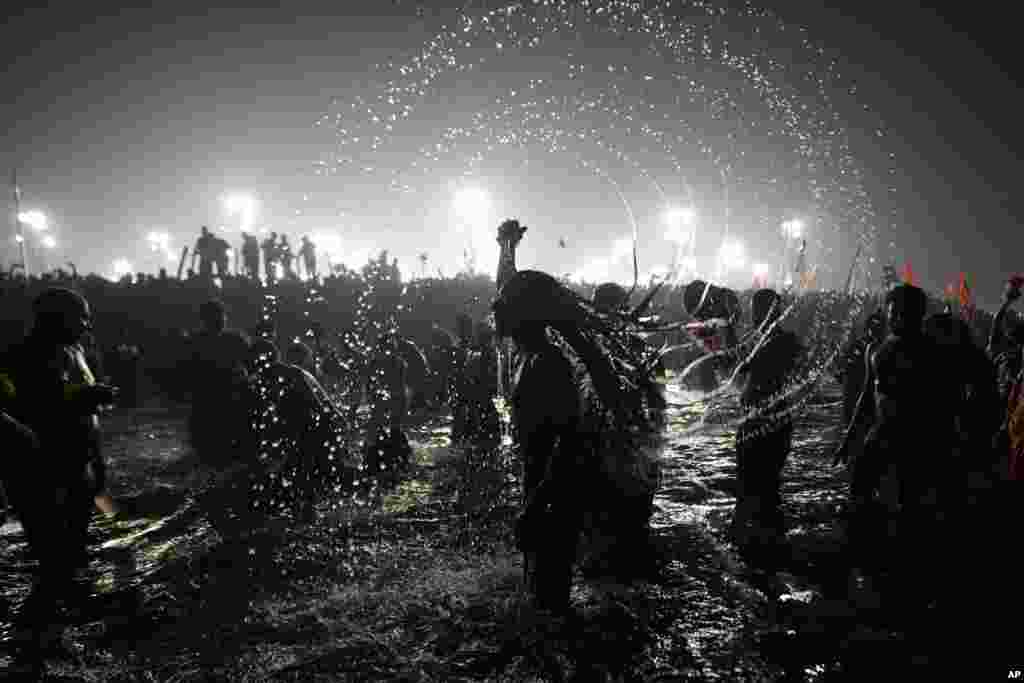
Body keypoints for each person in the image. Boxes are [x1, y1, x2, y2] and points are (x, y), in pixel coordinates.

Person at [493, 270, 661, 612]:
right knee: (541, 600)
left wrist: (537, 504)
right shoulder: (532, 357)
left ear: (525, 313)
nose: (494, 307)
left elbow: (570, 441)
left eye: (503, 302)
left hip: (553, 501)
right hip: (544, 492)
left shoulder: (550, 365)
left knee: (549, 607)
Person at [0, 287, 118, 673]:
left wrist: (98, 465)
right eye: (80, 316)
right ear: (54, 317)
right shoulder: (18, 358)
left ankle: (61, 634)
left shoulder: (77, 352)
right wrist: (81, 401)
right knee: (52, 557)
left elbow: (84, 412)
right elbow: (18, 414)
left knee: (73, 554)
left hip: (78, 466)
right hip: (39, 474)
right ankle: (32, 650)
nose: (86, 324)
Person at [247, 339, 353, 522]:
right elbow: (322, 402)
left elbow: (319, 404)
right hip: (304, 431)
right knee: (303, 475)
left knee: (306, 473)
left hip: (309, 430)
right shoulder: (286, 375)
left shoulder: (283, 376)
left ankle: (313, 513)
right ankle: (310, 513)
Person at [730, 289, 804, 549]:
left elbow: (783, 368)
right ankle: (750, 541)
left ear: (771, 310)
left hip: (770, 422)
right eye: (753, 310)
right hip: (754, 419)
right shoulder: (759, 339)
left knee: (764, 485)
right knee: (750, 483)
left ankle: (765, 545)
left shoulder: (783, 340)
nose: (753, 315)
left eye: (757, 310)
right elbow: (737, 370)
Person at [187, 299, 251, 465]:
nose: (220, 320)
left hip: (222, 400)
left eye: (220, 317)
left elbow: (251, 365)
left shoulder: (234, 339)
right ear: (205, 320)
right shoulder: (232, 339)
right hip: (214, 400)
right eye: (215, 317)